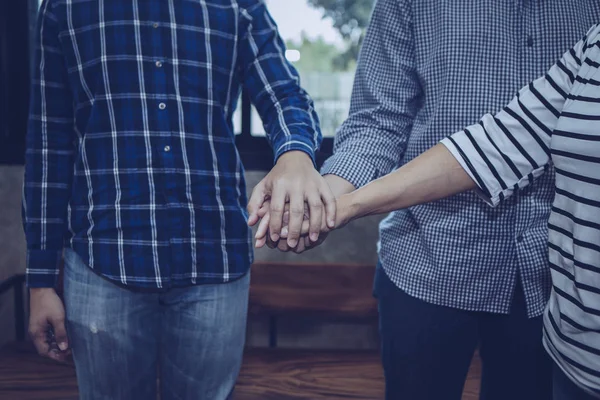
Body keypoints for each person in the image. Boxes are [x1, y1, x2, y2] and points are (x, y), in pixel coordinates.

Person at [248, 1, 600, 399]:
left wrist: (336, 206)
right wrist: (326, 201)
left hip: (551, 278)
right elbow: (385, 122)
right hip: (426, 261)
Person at [23, 1, 334, 399]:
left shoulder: (238, 6)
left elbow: (284, 93)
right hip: (102, 259)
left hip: (216, 257)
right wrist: (40, 281)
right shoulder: (65, 7)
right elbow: (49, 143)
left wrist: (295, 153)